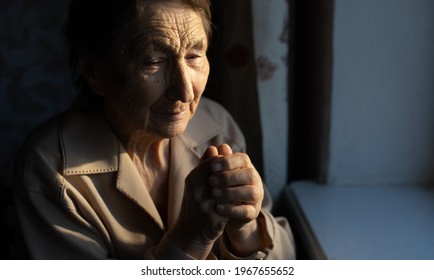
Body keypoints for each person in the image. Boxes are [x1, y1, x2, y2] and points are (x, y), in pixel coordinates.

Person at [13, 0, 296, 259]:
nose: (185, 92)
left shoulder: (216, 124)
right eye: (153, 61)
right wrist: (190, 238)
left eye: (194, 56)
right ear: (93, 70)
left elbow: (287, 261)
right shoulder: (49, 170)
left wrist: (245, 230)